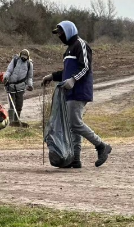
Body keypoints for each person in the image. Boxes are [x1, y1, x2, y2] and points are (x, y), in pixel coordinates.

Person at [42, 21, 112, 168]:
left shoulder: (81, 44)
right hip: (70, 91)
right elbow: (66, 73)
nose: (59, 36)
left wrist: (73, 80)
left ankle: (101, 146)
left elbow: (85, 67)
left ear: (69, 31)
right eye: (58, 34)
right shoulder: (67, 51)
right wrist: (52, 76)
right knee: (73, 125)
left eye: (60, 33)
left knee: (74, 123)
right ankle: (75, 158)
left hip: (79, 90)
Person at [0, 49, 34, 126]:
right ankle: (11, 121)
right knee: (12, 105)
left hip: (21, 87)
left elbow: (30, 77)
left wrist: (30, 85)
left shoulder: (29, 64)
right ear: (20, 55)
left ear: (28, 57)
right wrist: (5, 78)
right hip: (11, 85)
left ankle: (16, 120)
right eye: (22, 56)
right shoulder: (15, 60)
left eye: (25, 57)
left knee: (19, 104)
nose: (23, 58)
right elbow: (9, 71)